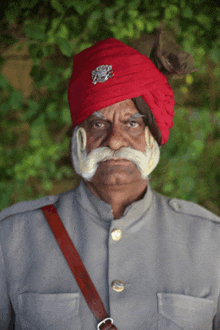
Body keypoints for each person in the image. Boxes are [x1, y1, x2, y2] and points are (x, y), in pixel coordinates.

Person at [0, 35, 220, 330]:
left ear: (153, 135)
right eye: (98, 123)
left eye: (132, 123)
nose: (115, 140)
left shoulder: (210, 242)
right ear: (79, 138)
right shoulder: (12, 237)